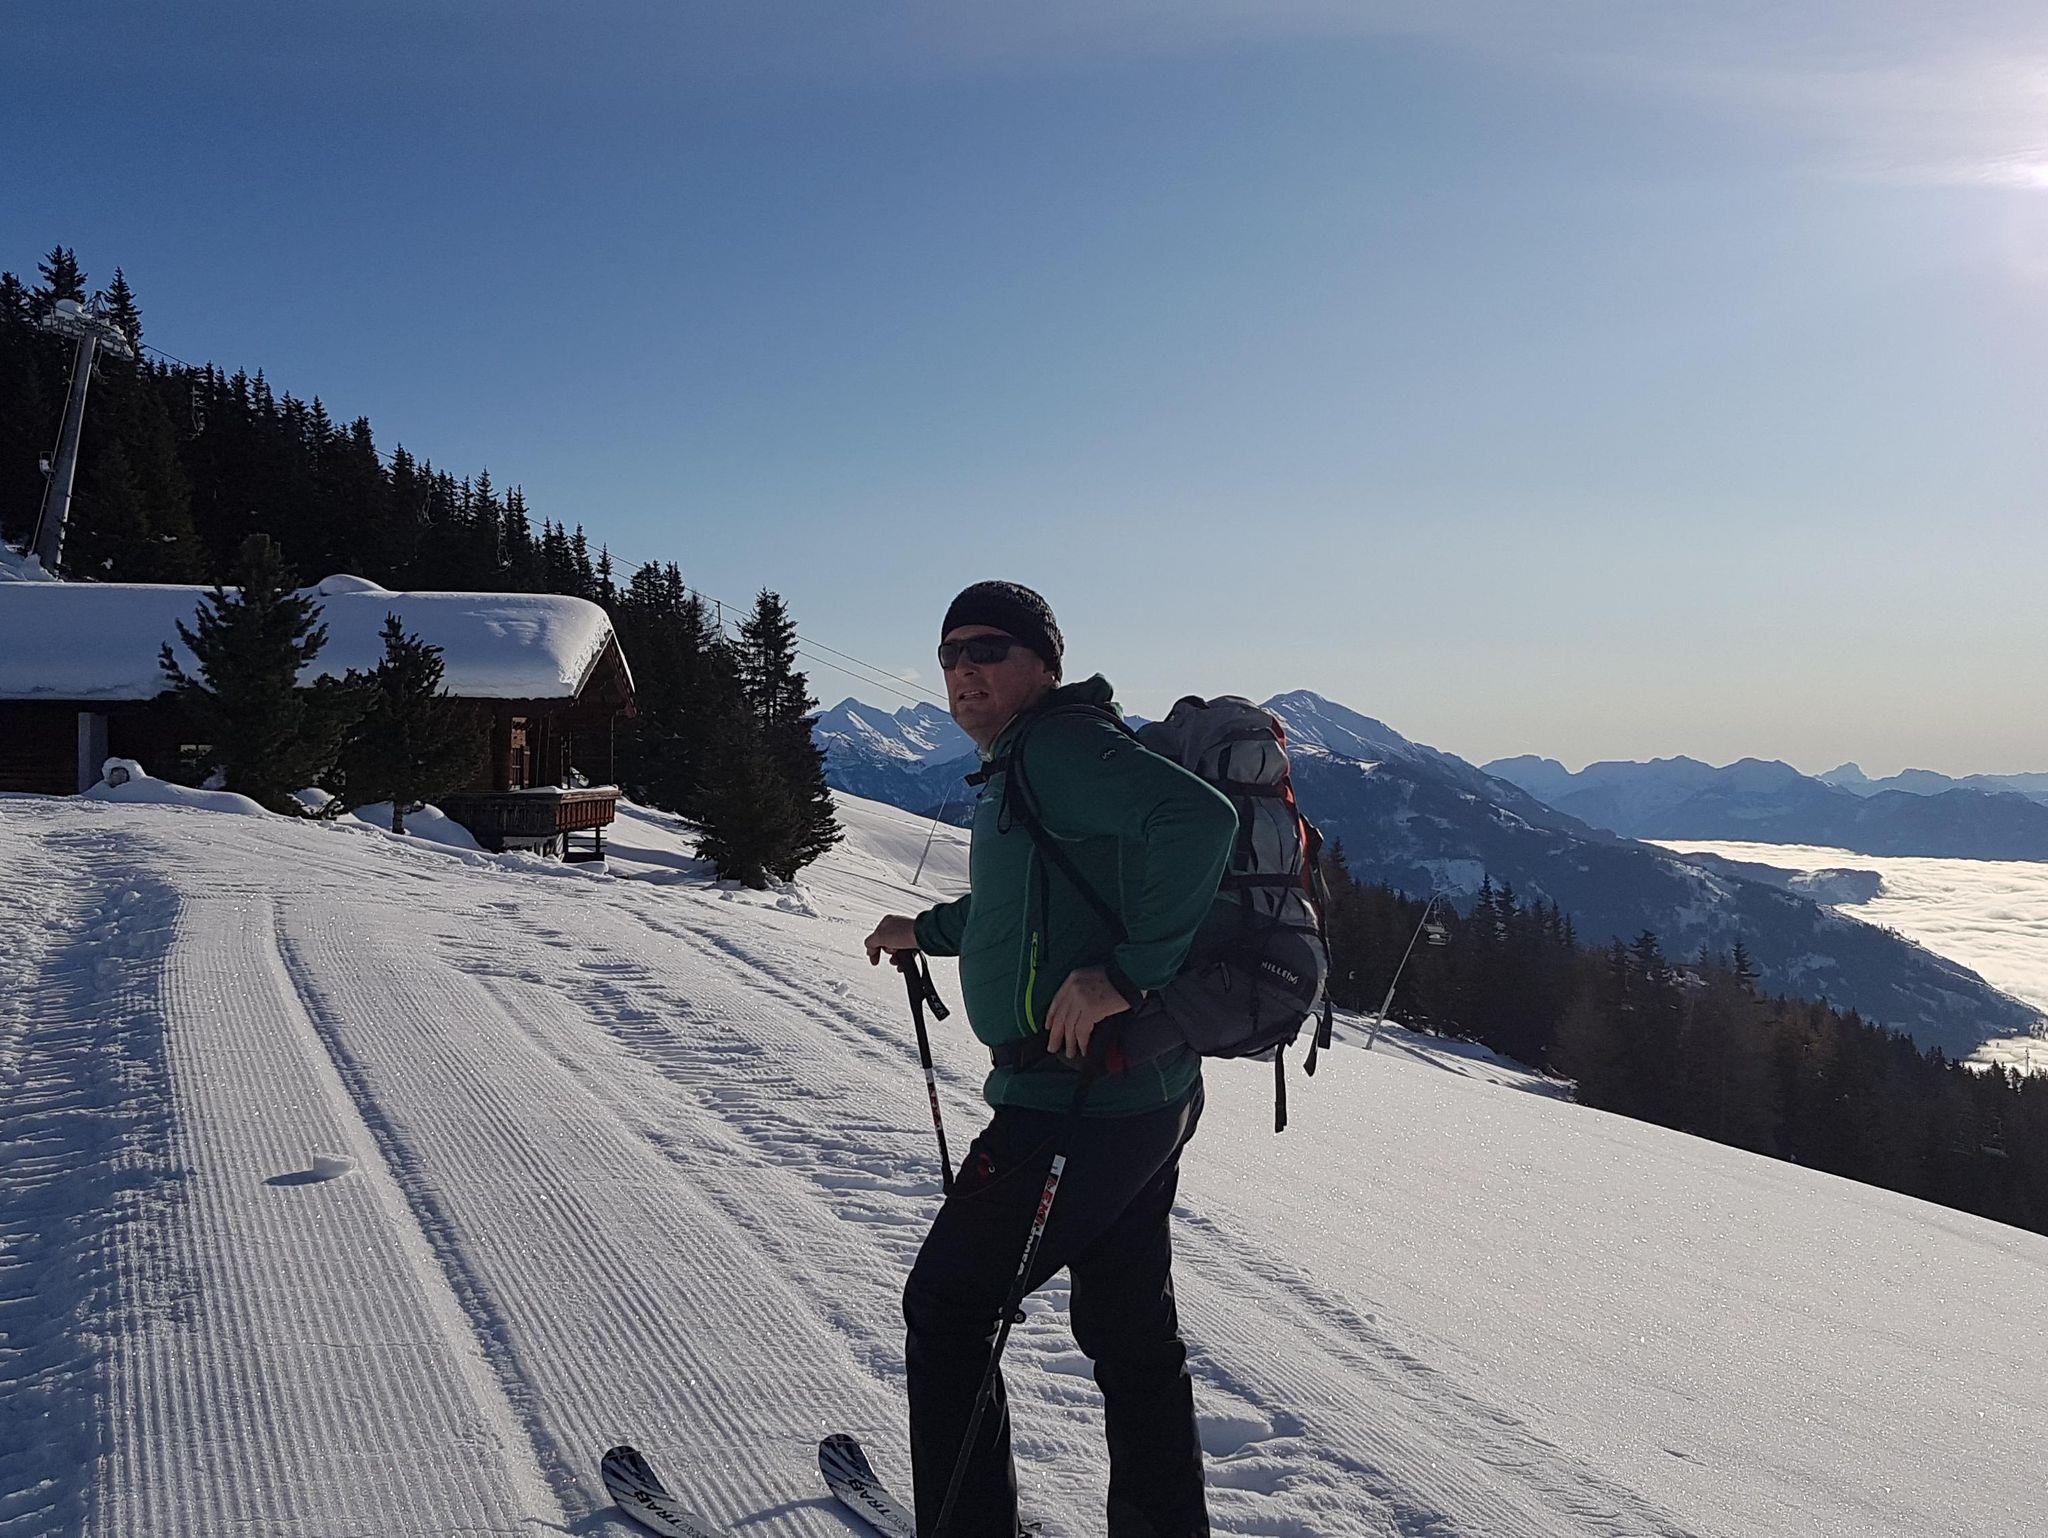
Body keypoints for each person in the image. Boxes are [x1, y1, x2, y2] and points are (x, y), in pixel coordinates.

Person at [864, 581, 1237, 1538]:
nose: (962, 670)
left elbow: (1202, 822)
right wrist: (925, 930)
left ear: (1042, 664)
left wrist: (1130, 974)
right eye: (949, 654)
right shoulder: (1023, 762)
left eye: (986, 649)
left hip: (1076, 1106)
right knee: (1128, 1331)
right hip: (1136, 1094)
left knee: (949, 1307)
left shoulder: (1058, 748)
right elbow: (1017, 904)